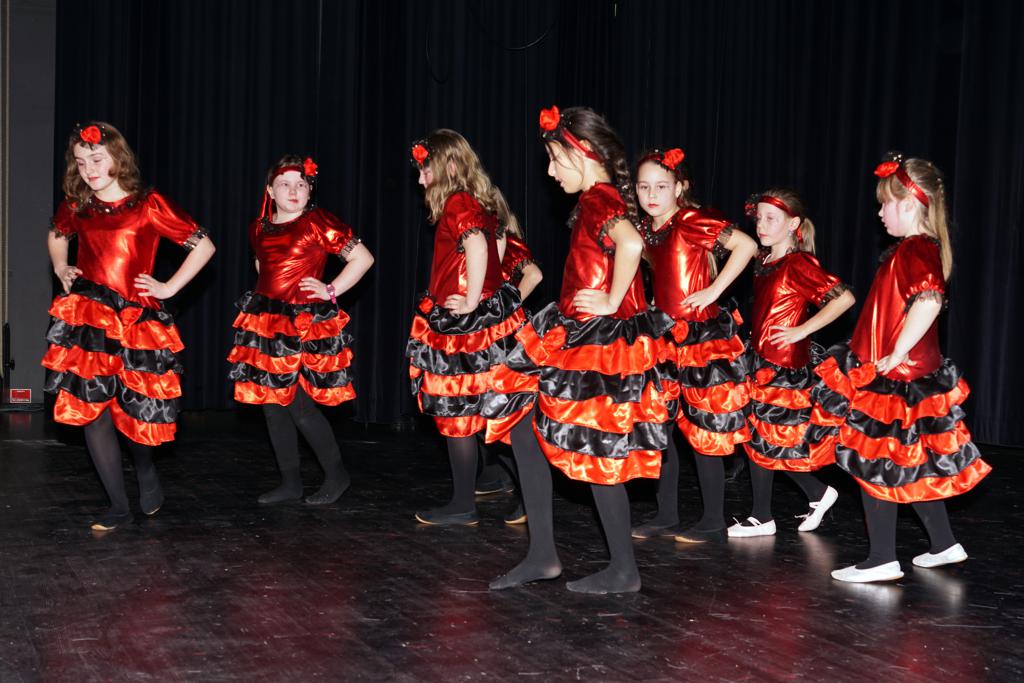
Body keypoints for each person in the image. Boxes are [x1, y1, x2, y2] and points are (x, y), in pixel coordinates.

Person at [488, 106, 675, 594]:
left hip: (597, 343)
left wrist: (610, 300)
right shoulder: (601, 199)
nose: (550, 172)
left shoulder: (598, 199)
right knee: (526, 427)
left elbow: (631, 245)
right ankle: (543, 555)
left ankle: (622, 569)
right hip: (582, 334)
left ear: (583, 152)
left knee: (595, 448)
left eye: (555, 159)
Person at [816, 153, 990, 582]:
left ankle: (881, 558)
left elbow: (929, 301)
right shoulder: (916, 248)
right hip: (908, 374)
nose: (879, 213)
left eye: (885, 204)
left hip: (896, 377)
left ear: (909, 204)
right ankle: (944, 544)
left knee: (875, 461)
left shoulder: (915, 249)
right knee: (912, 461)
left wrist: (896, 353)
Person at [44, 121, 215, 531]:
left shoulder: (148, 203)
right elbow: (57, 234)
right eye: (81, 162)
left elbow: (203, 246)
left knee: (138, 413)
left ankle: (145, 468)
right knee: (93, 411)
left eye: (96, 159)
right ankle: (118, 506)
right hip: (90, 320)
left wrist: (168, 287)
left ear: (118, 158)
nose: (88, 170)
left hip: (138, 321)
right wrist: (61, 267)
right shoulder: (78, 204)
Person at [228, 155, 373, 505]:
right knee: (271, 405)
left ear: (309, 189)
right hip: (267, 324)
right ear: (270, 191)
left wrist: (331, 289)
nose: (293, 191)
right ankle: (290, 482)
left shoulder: (317, 221)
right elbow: (263, 266)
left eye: (301, 184)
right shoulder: (258, 228)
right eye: (284, 184)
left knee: (300, 407)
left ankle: (337, 475)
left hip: (303, 325)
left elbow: (363, 258)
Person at [631, 148, 758, 543]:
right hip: (664, 338)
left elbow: (746, 246)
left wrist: (714, 290)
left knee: (705, 427)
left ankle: (713, 518)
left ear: (679, 188)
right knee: (662, 425)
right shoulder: (646, 229)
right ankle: (666, 513)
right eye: (644, 187)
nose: (652, 195)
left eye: (661, 187)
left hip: (700, 338)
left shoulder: (689, 220)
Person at [405, 130, 527, 525]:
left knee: (458, 414)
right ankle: (526, 495)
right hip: (484, 321)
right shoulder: (479, 202)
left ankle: (463, 504)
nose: (420, 179)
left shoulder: (458, 202)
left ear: (452, 167)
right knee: (489, 413)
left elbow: (476, 245)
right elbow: (498, 245)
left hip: (466, 326)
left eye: (426, 170)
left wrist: (473, 301)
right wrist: (490, 294)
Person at [728, 189, 854, 538]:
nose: (761, 225)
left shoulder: (798, 263)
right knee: (760, 438)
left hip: (783, 366)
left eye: (771, 219)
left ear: (793, 223)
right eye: (759, 218)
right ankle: (807, 497)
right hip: (761, 359)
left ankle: (766, 514)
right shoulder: (765, 260)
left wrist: (802, 330)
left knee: (769, 440)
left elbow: (844, 298)